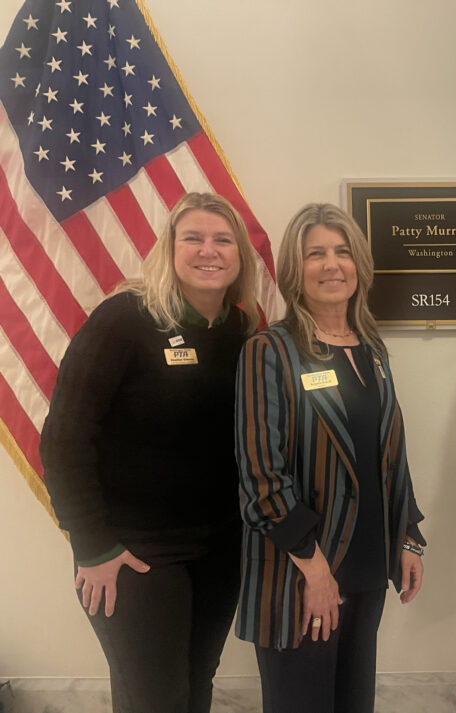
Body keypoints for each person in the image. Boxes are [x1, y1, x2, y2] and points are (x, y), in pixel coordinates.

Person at [40, 193, 259, 713]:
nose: (209, 250)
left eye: (223, 239)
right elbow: (64, 438)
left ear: (240, 255)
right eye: (194, 238)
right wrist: (92, 545)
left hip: (218, 549)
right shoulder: (124, 319)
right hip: (133, 551)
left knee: (195, 683)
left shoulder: (241, 330)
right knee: (154, 698)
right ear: (170, 249)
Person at [235, 203, 425, 713]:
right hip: (301, 577)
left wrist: (408, 535)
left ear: (359, 264)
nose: (331, 264)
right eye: (315, 253)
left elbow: (389, 453)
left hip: (367, 571)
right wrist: (315, 571)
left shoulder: (372, 349)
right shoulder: (270, 350)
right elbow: (262, 478)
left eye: (342, 252)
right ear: (296, 270)